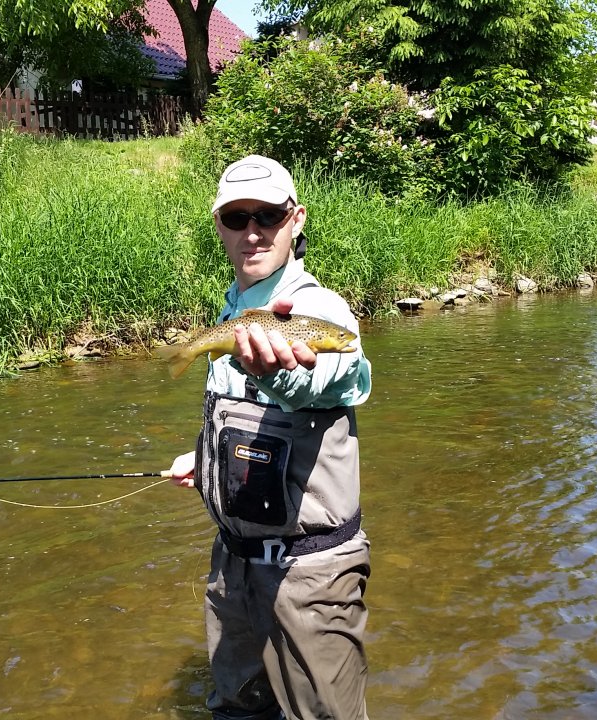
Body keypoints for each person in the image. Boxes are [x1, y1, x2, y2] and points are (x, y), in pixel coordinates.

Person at [168, 155, 373, 720]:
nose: (253, 231)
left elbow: (337, 378)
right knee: (236, 709)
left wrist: (283, 371)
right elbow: (244, 419)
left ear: (296, 219)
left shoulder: (317, 309)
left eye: (269, 215)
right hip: (233, 569)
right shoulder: (233, 311)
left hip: (309, 575)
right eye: (237, 218)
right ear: (220, 227)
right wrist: (208, 462)